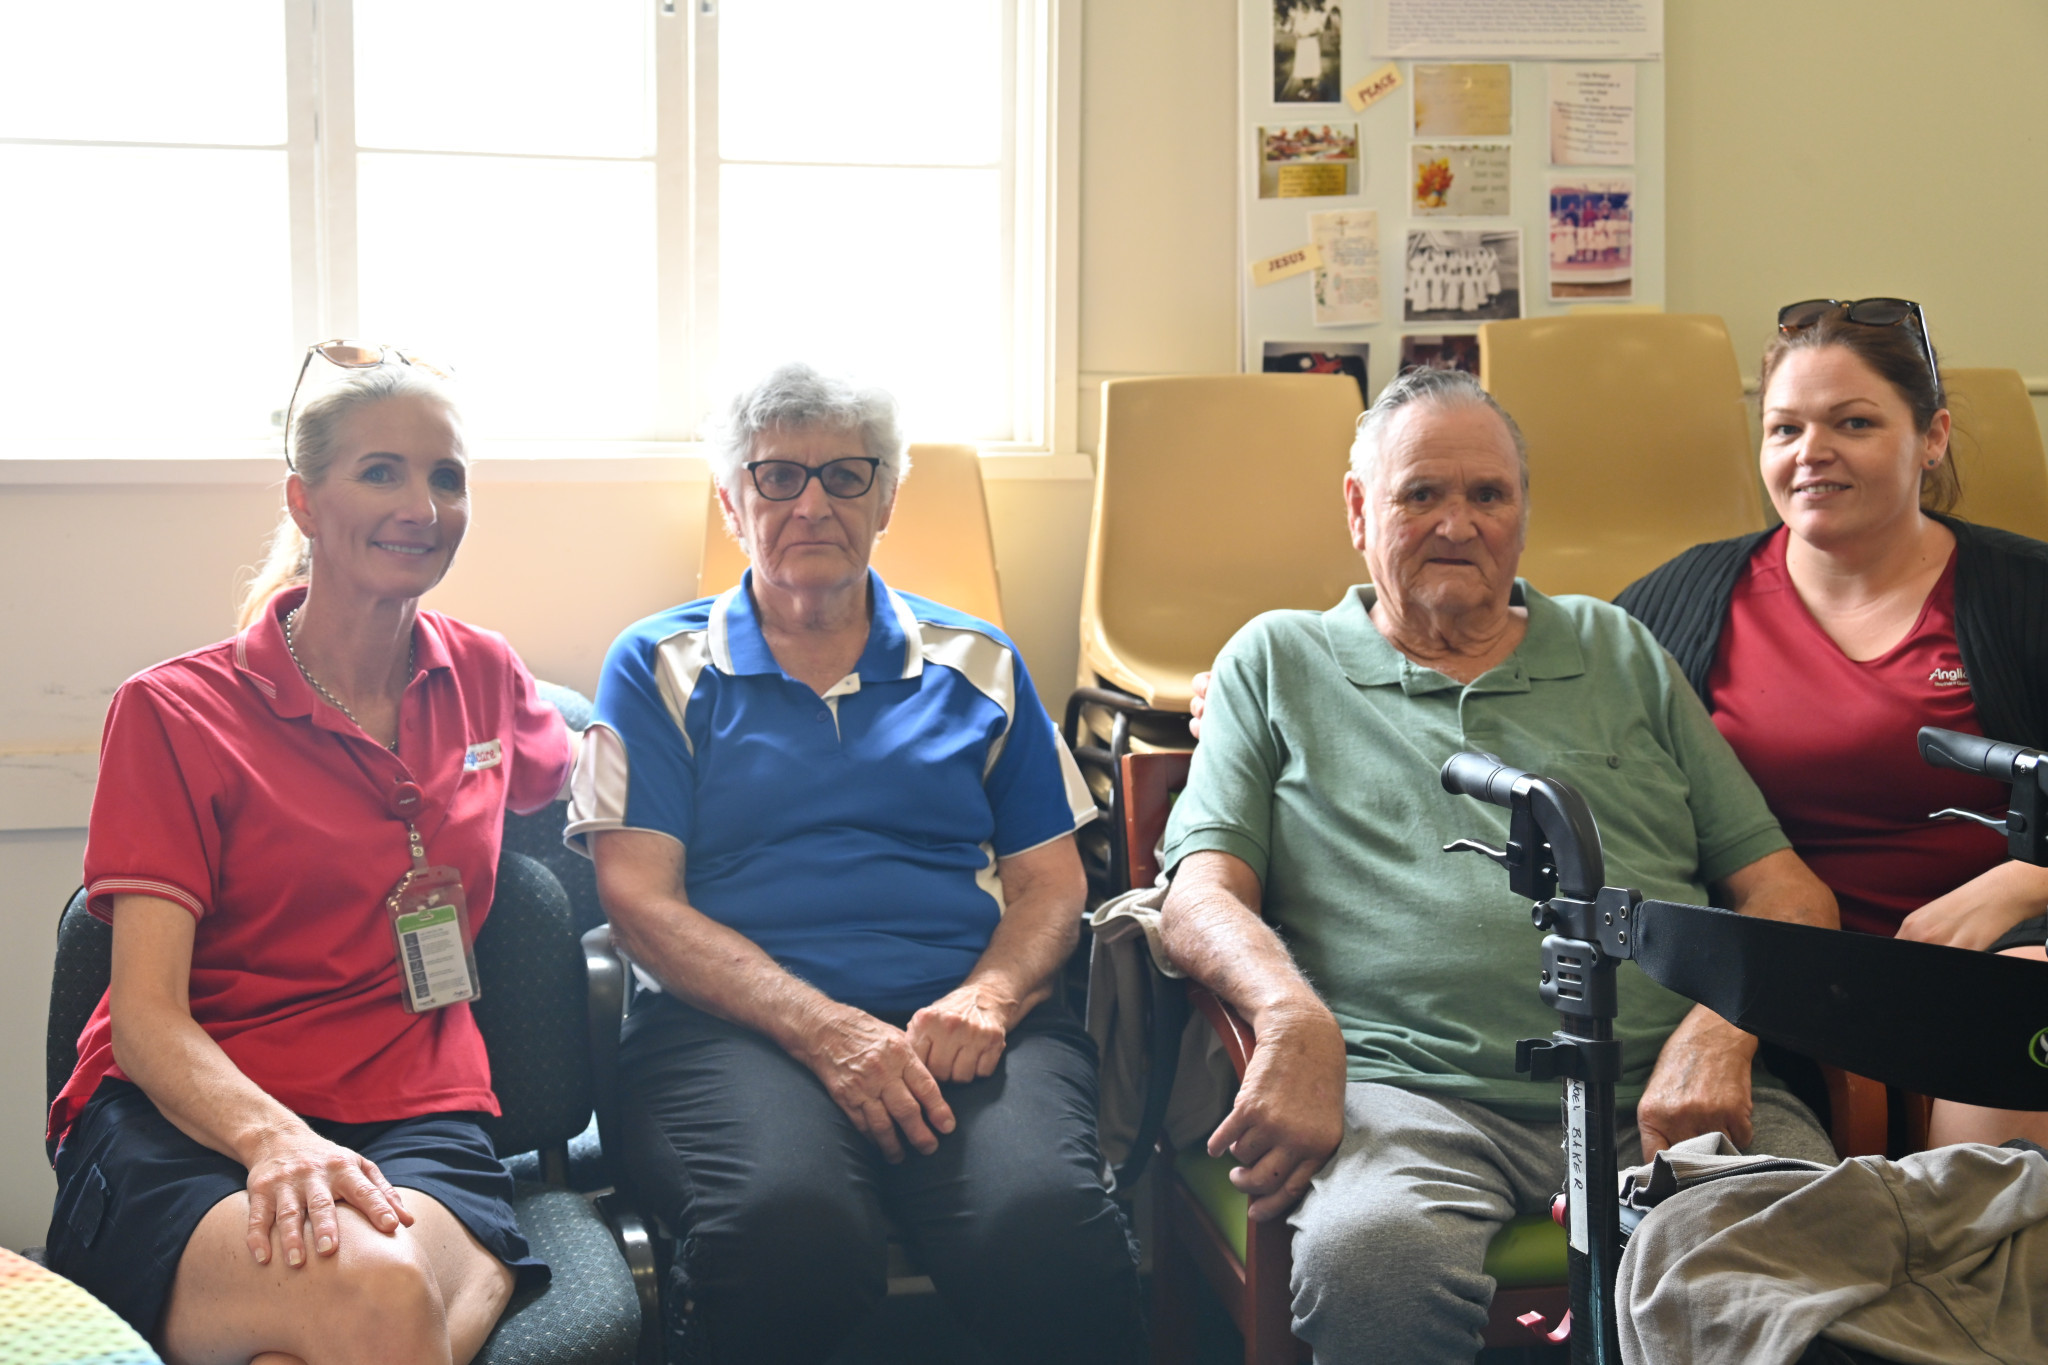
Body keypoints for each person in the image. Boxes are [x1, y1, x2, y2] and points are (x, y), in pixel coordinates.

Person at [1162, 365, 1839, 1364]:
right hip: (1409, 1095)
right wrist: (1288, 1016)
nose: (1456, 523)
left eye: (1486, 495)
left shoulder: (1615, 648)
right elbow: (1196, 891)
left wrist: (1720, 1035)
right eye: (1419, 494)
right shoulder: (1278, 661)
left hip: (1655, 1086)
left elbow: (1784, 889)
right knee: (1369, 1263)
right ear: (1358, 510)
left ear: (1521, 512)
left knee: (1821, 1246)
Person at [566, 363, 1143, 1365]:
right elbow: (636, 901)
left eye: (843, 475)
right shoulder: (657, 666)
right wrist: (825, 1031)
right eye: (777, 478)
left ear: (885, 496)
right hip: (729, 1033)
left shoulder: (981, 665)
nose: (811, 503)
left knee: (1047, 1231)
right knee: (788, 1234)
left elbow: (1053, 883)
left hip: (961, 1026)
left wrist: (989, 999)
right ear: (731, 502)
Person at [44, 349, 574, 1363]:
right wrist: (274, 1140)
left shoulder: (485, 674)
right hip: (188, 1115)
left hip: (422, 1113)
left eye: (447, 475)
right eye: (381, 471)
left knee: (358, 1318)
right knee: (381, 1304)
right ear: (303, 499)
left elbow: (572, 770)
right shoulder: (172, 712)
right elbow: (148, 1023)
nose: (422, 503)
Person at [1617, 298, 2048, 1148]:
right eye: (1784, 429)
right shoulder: (1677, 603)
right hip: (1779, 990)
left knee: (2012, 1029)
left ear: (1933, 437)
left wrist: (2024, 884)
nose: (1811, 453)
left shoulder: (2022, 594)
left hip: (2004, 956)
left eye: (1853, 422)